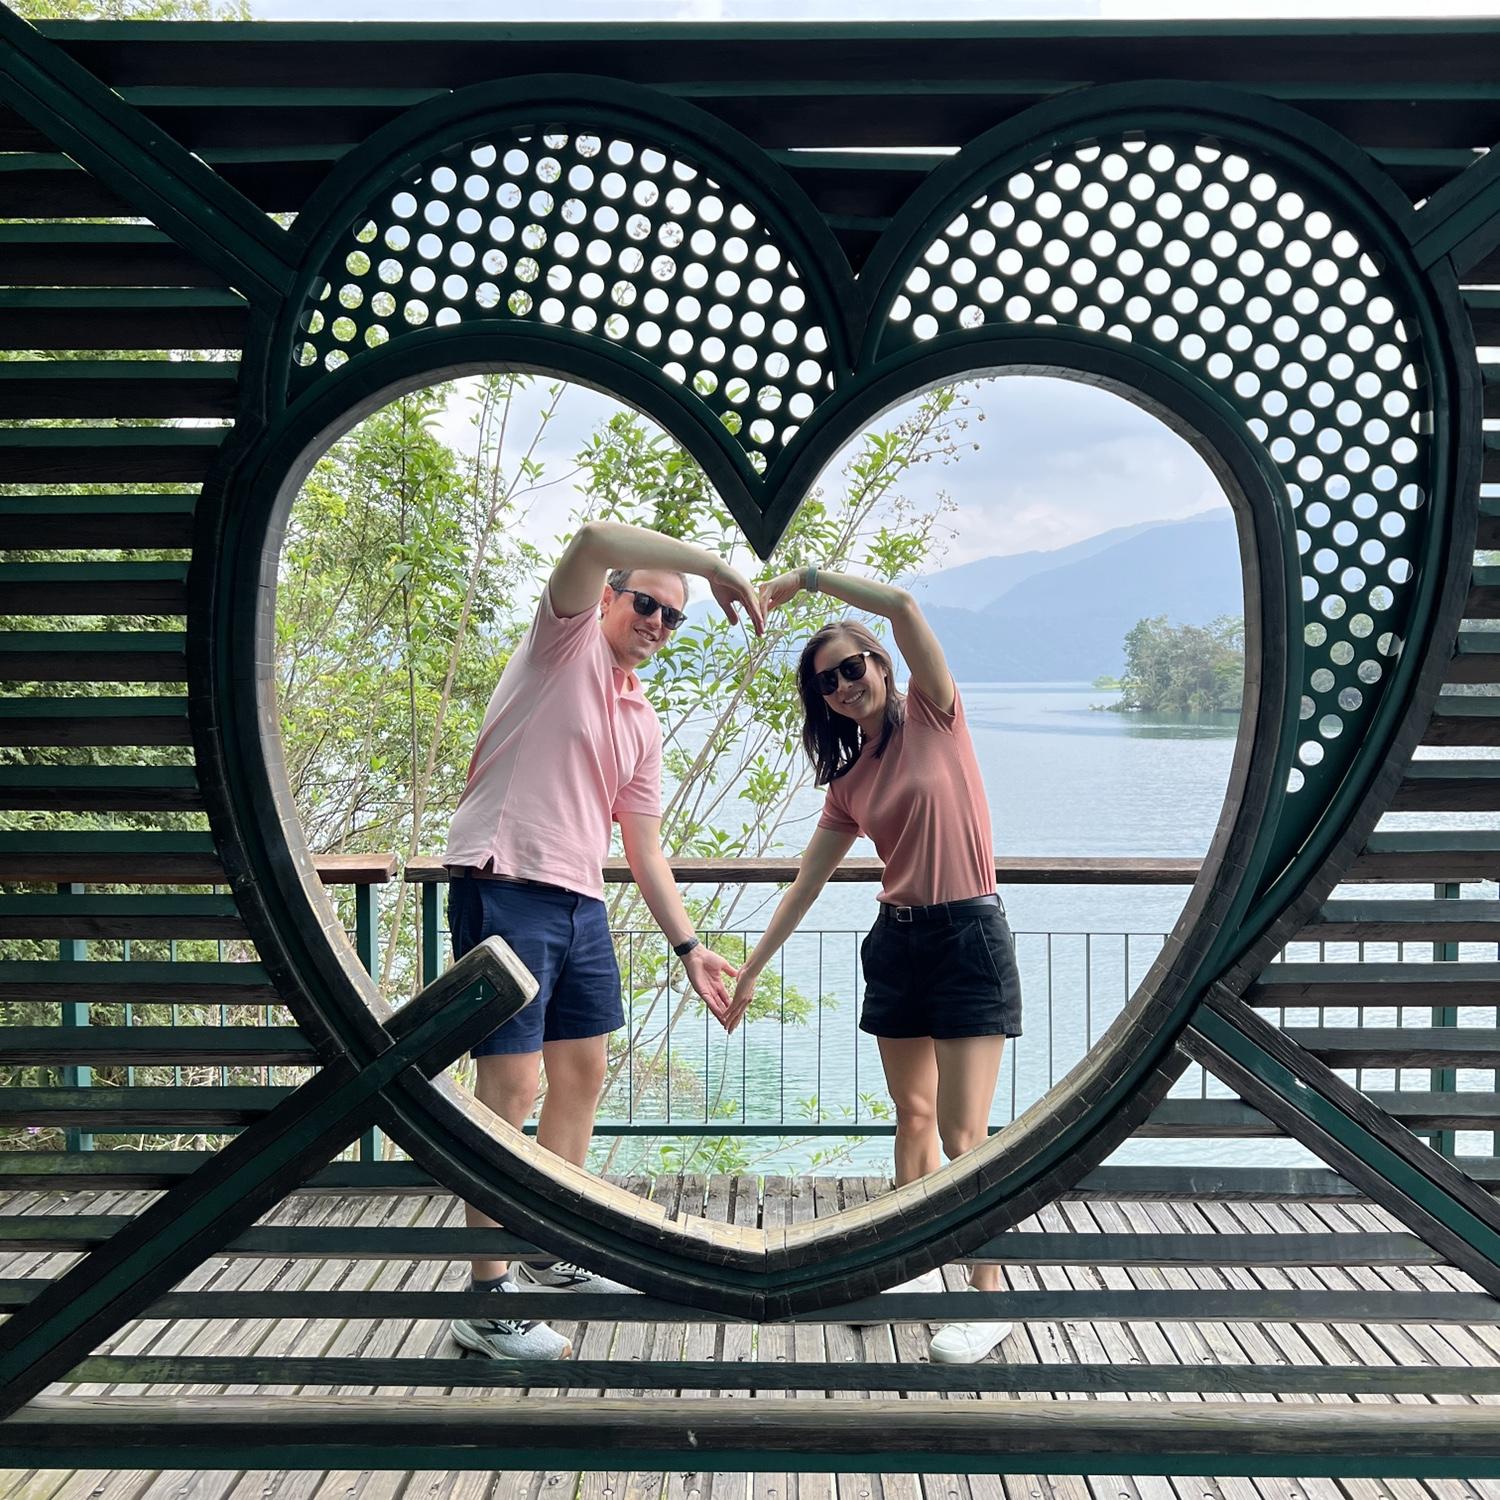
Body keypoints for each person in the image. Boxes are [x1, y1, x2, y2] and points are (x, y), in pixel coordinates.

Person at [444, 519, 764, 1361]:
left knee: (582, 1074)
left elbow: (644, 848)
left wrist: (690, 948)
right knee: (509, 1089)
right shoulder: (562, 645)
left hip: (580, 902)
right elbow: (588, 537)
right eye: (646, 604)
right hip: (505, 881)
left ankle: (547, 1246)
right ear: (609, 600)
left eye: (673, 616)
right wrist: (716, 565)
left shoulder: (640, 717)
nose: (657, 623)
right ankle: (485, 1298)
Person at [725, 564, 1022, 1365]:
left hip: (967, 939)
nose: (844, 685)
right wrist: (750, 970)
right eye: (827, 682)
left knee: (964, 1134)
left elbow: (901, 604)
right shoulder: (849, 781)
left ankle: (990, 1299)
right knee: (913, 1118)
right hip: (897, 945)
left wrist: (806, 581)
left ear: (883, 666)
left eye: (853, 667)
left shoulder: (936, 714)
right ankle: (909, 1267)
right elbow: (804, 885)